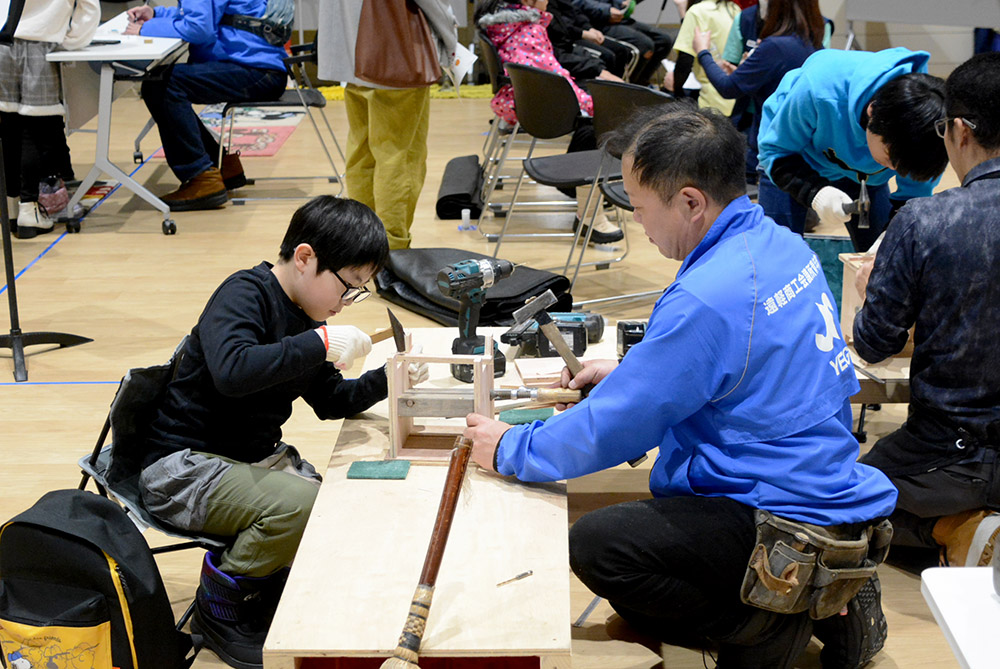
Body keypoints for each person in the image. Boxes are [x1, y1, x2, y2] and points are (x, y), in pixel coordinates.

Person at [464, 106, 896, 668]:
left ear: (691, 202)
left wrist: (509, 448)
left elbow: (613, 429)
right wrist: (635, 372)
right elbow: (748, 363)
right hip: (825, 478)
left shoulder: (707, 296)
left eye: (641, 208)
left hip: (774, 507)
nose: (638, 222)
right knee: (641, 575)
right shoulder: (780, 243)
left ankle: (767, 625)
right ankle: (818, 597)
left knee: (600, 546)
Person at [136, 196, 428, 669]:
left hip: (243, 461)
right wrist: (317, 343)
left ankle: (266, 585)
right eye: (348, 287)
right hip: (181, 467)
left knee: (342, 500)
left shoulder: (308, 317)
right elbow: (233, 371)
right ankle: (218, 606)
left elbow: (331, 400)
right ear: (306, 258)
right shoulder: (244, 293)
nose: (345, 302)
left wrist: (389, 377)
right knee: (304, 505)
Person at [853, 52, 1000, 568]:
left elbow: (873, 343)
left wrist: (877, 288)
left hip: (948, 449)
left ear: (959, 130)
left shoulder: (926, 220)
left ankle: (957, 526)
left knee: (842, 495)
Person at [756, 47, 948, 250]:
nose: (893, 170)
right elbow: (775, 152)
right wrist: (815, 193)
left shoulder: (931, 131)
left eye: (901, 167)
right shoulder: (819, 89)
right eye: (890, 159)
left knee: (887, 253)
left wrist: (893, 232)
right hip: (792, 158)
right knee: (777, 254)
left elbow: (911, 197)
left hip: (865, 180)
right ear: (872, 113)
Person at [476, 0, 623, 244]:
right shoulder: (527, 28)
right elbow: (552, 77)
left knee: (598, 105)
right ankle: (586, 210)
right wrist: (590, 102)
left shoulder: (506, 21)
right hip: (534, 106)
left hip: (522, 98)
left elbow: (552, 75)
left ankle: (584, 193)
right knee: (603, 116)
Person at [317, 0, 456, 250]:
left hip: (347, 53)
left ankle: (361, 242)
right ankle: (391, 249)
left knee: (362, 150)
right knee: (398, 155)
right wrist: (450, 37)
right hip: (395, 52)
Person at [125, 0, 288, 212]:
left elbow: (198, 28)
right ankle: (220, 166)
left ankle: (201, 176)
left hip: (256, 72)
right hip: (265, 69)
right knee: (162, 82)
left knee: (161, 86)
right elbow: (203, 13)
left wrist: (146, 28)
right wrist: (157, 13)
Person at [0, 0, 99, 238]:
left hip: (3, 43)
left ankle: (11, 208)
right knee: (34, 131)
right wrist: (68, 41)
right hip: (41, 46)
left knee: (9, 129)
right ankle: (29, 208)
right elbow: (89, 9)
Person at [692, 0, 822, 181]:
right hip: (802, 148)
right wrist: (744, 74)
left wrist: (703, 52)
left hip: (775, 151)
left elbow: (728, 88)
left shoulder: (775, 47)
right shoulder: (812, 44)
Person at [571, 0, 674, 85]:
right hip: (594, 21)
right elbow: (575, 3)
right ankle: (630, 89)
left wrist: (622, 3)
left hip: (618, 16)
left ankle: (642, 84)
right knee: (644, 45)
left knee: (664, 41)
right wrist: (606, 10)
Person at [664, 0, 739, 113]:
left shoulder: (697, 11)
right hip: (736, 98)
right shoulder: (735, 9)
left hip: (709, 101)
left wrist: (676, 90)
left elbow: (685, 61)